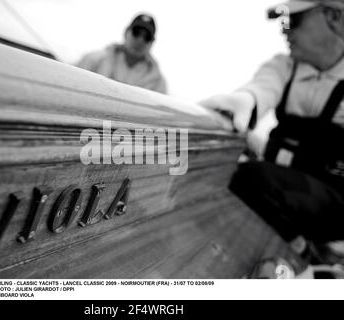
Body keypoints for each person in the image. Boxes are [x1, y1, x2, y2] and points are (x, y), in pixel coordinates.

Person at [199, 0, 344, 266]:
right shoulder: (284, 67)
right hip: (283, 191)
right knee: (220, 172)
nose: (284, 31)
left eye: (293, 20)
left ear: (334, 17)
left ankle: (306, 258)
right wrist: (242, 103)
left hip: (334, 208)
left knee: (250, 179)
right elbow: (261, 90)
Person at [76, 13, 167, 94]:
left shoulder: (158, 83)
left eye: (147, 37)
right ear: (126, 32)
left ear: (152, 43)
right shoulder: (94, 59)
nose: (140, 40)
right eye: (136, 32)